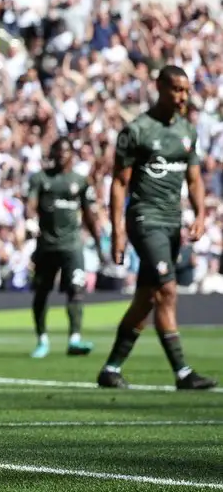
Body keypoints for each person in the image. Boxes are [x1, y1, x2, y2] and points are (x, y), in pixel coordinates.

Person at [98, 66, 216, 390]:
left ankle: (110, 369)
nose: (183, 97)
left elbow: (194, 179)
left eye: (186, 90)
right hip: (144, 218)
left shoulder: (187, 132)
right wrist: (118, 231)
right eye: (177, 89)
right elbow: (119, 184)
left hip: (172, 223)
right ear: (159, 87)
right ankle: (182, 372)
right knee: (167, 290)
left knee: (147, 298)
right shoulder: (137, 130)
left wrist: (201, 215)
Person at [25, 137, 102, 359]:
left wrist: (99, 244)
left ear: (72, 154)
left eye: (66, 151)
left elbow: (89, 215)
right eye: (57, 151)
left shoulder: (80, 181)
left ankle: (75, 339)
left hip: (72, 245)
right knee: (41, 292)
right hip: (46, 245)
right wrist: (30, 221)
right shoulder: (40, 179)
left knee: (76, 290)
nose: (61, 155)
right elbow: (30, 205)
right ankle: (42, 339)